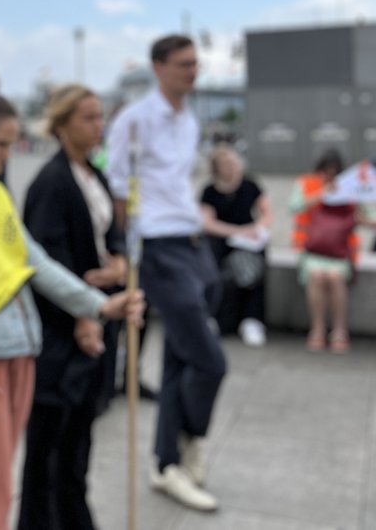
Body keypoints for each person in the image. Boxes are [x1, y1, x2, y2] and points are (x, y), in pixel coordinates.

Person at [0, 74, 144, 530]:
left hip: (16, 349)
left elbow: (34, 262)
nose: (8, 156)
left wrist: (98, 306)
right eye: (1, 145)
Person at [106, 34, 223, 512]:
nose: (191, 72)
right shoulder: (134, 120)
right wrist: (126, 250)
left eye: (195, 64)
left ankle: (165, 460)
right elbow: (118, 186)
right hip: (158, 247)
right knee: (211, 361)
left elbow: (177, 182)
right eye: (182, 64)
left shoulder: (190, 119)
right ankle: (188, 438)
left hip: (193, 242)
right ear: (157, 68)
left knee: (180, 358)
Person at [17, 85, 126, 530]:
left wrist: (118, 262)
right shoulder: (51, 182)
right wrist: (82, 314)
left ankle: (75, 516)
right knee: (49, 446)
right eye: (88, 118)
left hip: (100, 314)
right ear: (62, 125)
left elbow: (111, 236)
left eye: (101, 117)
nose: (98, 126)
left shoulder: (94, 175)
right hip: (64, 333)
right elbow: (47, 261)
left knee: (80, 440)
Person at [290, 149, 375, 353]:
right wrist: (323, 193)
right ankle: (317, 330)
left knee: (335, 277)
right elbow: (295, 206)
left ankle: (339, 331)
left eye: (333, 171)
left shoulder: (349, 188)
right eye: (325, 171)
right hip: (311, 248)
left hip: (339, 251)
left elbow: (367, 216)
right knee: (317, 276)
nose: (329, 175)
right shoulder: (307, 183)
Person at [199, 145, 272, 347]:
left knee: (255, 270)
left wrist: (256, 229)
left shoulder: (250, 186)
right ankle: (217, 319)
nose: (232, 167)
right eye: (226, 164)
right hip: (222, 242)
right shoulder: (209, 191)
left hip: (248, 241)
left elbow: (266, 213)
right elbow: (206, 222)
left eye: (233, 162)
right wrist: (237, 232)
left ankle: (252, 321)